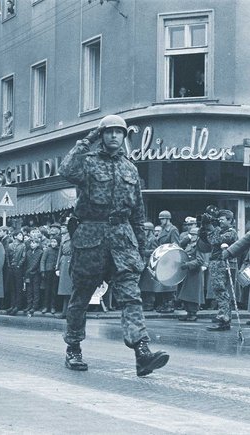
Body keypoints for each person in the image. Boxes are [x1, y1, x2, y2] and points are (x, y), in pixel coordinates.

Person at [58, 114, 169, 376]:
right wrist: (88, 139)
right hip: (91, 237)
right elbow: (66, 170)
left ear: (124, 137)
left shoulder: (130, 168)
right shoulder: (87, 162)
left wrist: (142, 249)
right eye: (109, 132)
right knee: (81, 297)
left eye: (119, 132)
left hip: (122, 238)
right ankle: (73, 347)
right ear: (102, 135)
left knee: (131, 296)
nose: (114, 136)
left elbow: (138, 214)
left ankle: (142, 351)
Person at [177, 227, 205, 322]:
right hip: (188, 272)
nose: (192, 236)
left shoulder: (200, 245)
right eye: (191, 234)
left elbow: (200, 260)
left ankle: (193, 313)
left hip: (194, 273)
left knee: (192, 294)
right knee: (186, 294)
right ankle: (189, 312)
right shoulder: (190, 244)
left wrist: (188, 265)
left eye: (194, 235)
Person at [155, 210, 180, 313]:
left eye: (163, 219)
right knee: (163, 281)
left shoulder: (173, 230)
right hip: (163, 259)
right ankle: (165, 303)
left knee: (170, 282)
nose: (161, 221)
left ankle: (170, 304)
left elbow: (175, 245)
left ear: (168, 219)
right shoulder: (163, 230)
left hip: (170, 258)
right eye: (160, 219)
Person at [55, 219, 73, 319]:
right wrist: (57, 267)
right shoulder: (63, 238)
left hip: (72, 262)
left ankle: (70, 312)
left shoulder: (75, 236)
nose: (65, 228)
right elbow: (60, 253)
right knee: (65, 291)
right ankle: (64, 311)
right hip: (64, 262)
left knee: (71, 290)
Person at [23, 238, 43, 315]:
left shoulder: (40, 252)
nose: (32, 244)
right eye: (31, 243)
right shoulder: (28, 252)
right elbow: (26, 263)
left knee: (36, 290)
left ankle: (35, 306)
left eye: (34, 243)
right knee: (29, 290)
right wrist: (26, 272)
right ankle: (29, 305)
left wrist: (32, 270)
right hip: (28, 273)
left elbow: (38, 263)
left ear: (38, 244)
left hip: (36, 273)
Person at [40, 236, 59, 314]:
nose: (53, 243)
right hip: (48, 271)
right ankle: (45, 306)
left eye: (55, 242)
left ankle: (53, 306)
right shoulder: (47, 250)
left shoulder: (59, 250)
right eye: (52, 242)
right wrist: (43, 270)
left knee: (54, 290)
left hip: (56, 272)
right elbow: (43, 260)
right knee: (47, 289)